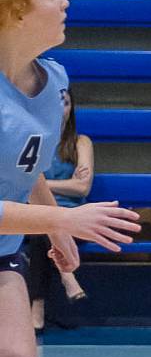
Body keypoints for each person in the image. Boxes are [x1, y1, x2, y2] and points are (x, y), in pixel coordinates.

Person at [0, 0, 139, 357]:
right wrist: (71, 219)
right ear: (15, 11)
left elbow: (23, 163)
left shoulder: (53, 81)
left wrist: (56, 226)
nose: (65, 3)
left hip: (4, 252)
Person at [23, 86, 92, 332]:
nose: (62, 108)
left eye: (66, 103)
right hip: (37, 210)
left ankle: (37, 306)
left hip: (71, 214)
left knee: (48, 222)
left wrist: (41, 182)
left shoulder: (80, 142)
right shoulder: (34, 139)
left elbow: (82, 187)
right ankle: (67, 277)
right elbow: (26, 181)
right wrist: (65, 184)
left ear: (72, 108)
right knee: (44, 221)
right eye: (57, 102)